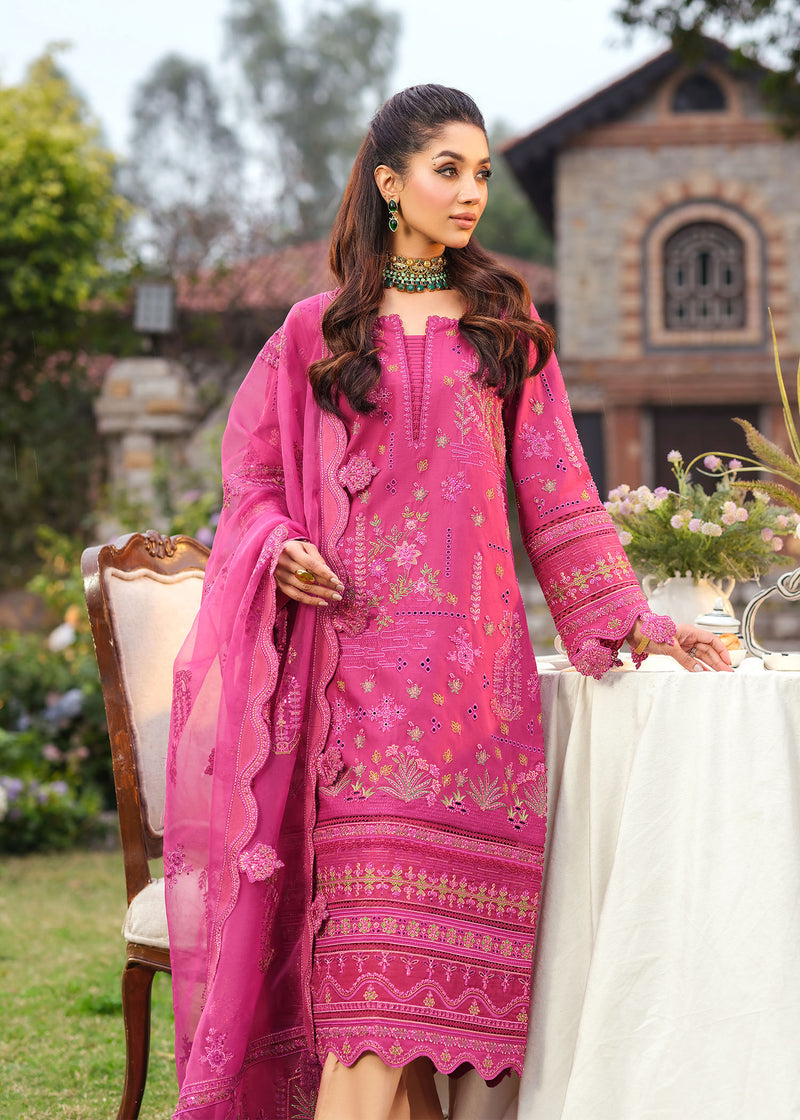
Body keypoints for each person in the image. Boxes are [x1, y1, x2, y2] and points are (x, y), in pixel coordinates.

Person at [164, 84, 731, 1120]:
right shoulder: (313, 336)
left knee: (418, 1042)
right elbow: (246, 486)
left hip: (478, 709)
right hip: (354, 707)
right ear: (390, 184)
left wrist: (639, 622)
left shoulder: (505, 330)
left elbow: (559, 497)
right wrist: (279, 544)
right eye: (446, 170)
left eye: (478, 173)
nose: (470, 192)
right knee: (372, 1005)